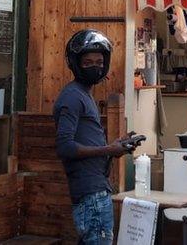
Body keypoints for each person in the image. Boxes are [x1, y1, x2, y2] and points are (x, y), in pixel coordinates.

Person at [54, 30, 138, 245]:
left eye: (99, 62)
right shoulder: (72, 96)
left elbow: (87, 144)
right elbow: (65, 147)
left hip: (97, 188)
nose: (95, 66)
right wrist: (110, 150)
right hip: (90, 194)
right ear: (76, 63)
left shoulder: (84, 94)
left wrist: (116, 146)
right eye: (88, 62)